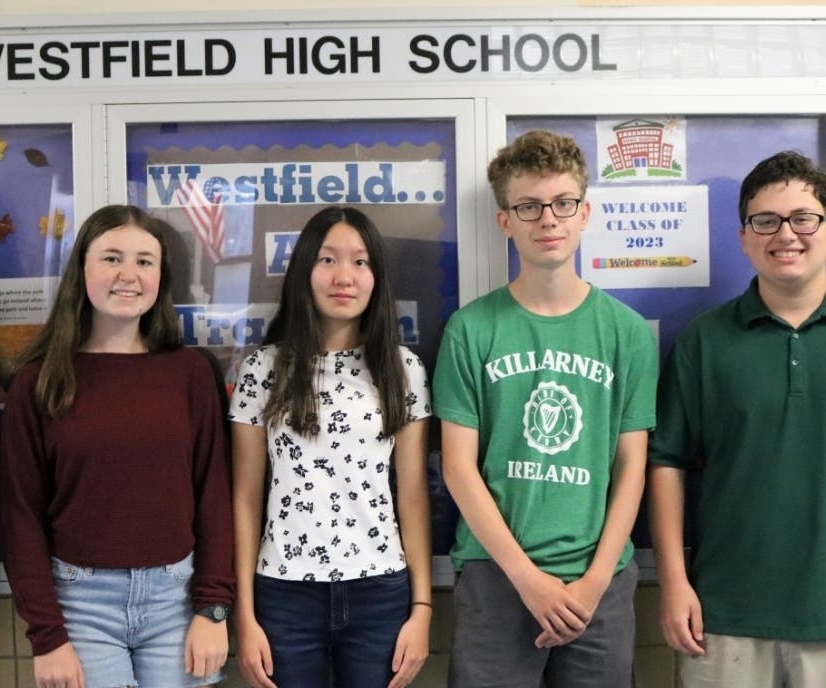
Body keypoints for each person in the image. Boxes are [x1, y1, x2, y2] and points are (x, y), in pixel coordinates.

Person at [433, 130, 657, 687]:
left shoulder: (626, 333)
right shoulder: (471, 330)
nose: (547, 221)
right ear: (505, 220)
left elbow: (631, 466)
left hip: (597, 578)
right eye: (528, 207)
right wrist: (526, 578)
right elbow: (458, 467)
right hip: (495, 573)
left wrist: (595, 579)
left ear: (585, 213)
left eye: (561, 204)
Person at [0, 205, 234, 688]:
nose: (129, 275)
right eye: (111, 258)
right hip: (79, 605)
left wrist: (214, 607)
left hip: (177, 598)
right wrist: (47, 636)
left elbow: (214, 494)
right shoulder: (37, 381)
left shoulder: (190, 374)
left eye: (145, 262)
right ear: (81, 269)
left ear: (160, 276)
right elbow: (20, 515)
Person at [230, 205, 432, 688]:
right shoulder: (263, 369)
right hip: (283, 593)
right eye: (328, 260)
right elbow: (245, 497)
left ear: (377, 277)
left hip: (380, 590)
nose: (345, 276)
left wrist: (422, 607)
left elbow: (413, 494)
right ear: (304, 271)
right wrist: (245, 613)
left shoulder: (401, 368)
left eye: (360, 262)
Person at [649, 150, 826, 687]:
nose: (786, 235)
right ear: (744, 237)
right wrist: (673, 582)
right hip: (722, 615)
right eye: (765, 221)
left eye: (804, 218)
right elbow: (666, 464)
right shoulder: (704, 341)